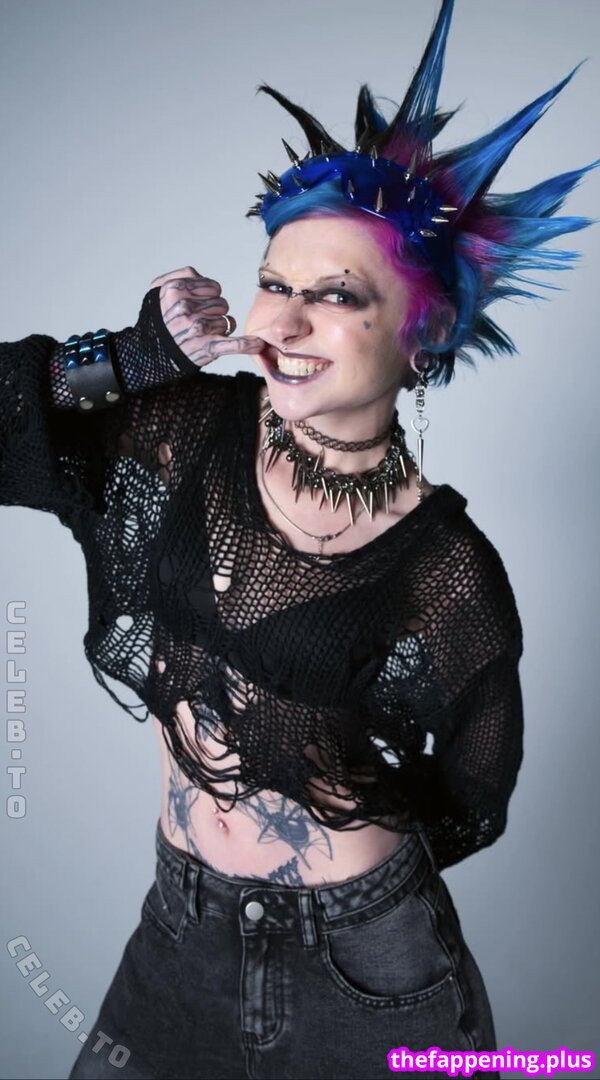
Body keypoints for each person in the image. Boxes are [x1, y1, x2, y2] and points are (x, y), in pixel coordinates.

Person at [1, 0, 595, 1077]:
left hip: (371, 970)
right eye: (275, 282)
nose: (279, 321)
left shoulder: (449, 572)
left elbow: (474, 797)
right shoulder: (175, 433)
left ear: (421, 338)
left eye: (334, 297)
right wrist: (126, 357)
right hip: (178, 935)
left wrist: (331, 835)